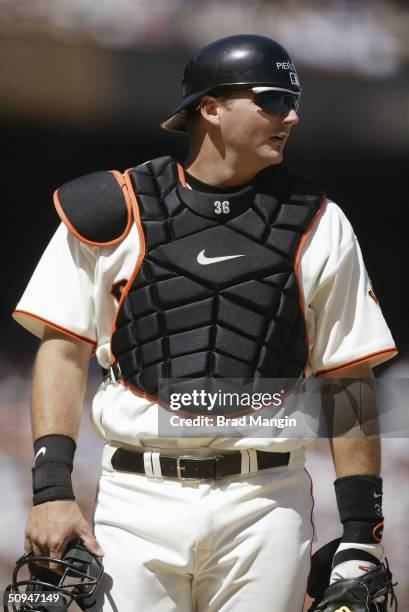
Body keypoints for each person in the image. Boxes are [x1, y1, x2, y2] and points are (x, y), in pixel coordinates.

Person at [13, 34, 397, 611]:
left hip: (265, 499)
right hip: (137, 497)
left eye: (292, 100)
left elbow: (349, 375)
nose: (290, 115)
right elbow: (61, 352)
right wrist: (51, 492)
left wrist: (362, 531)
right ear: (210, 108)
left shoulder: (319, 221)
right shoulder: (112, 207)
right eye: (270, 99)